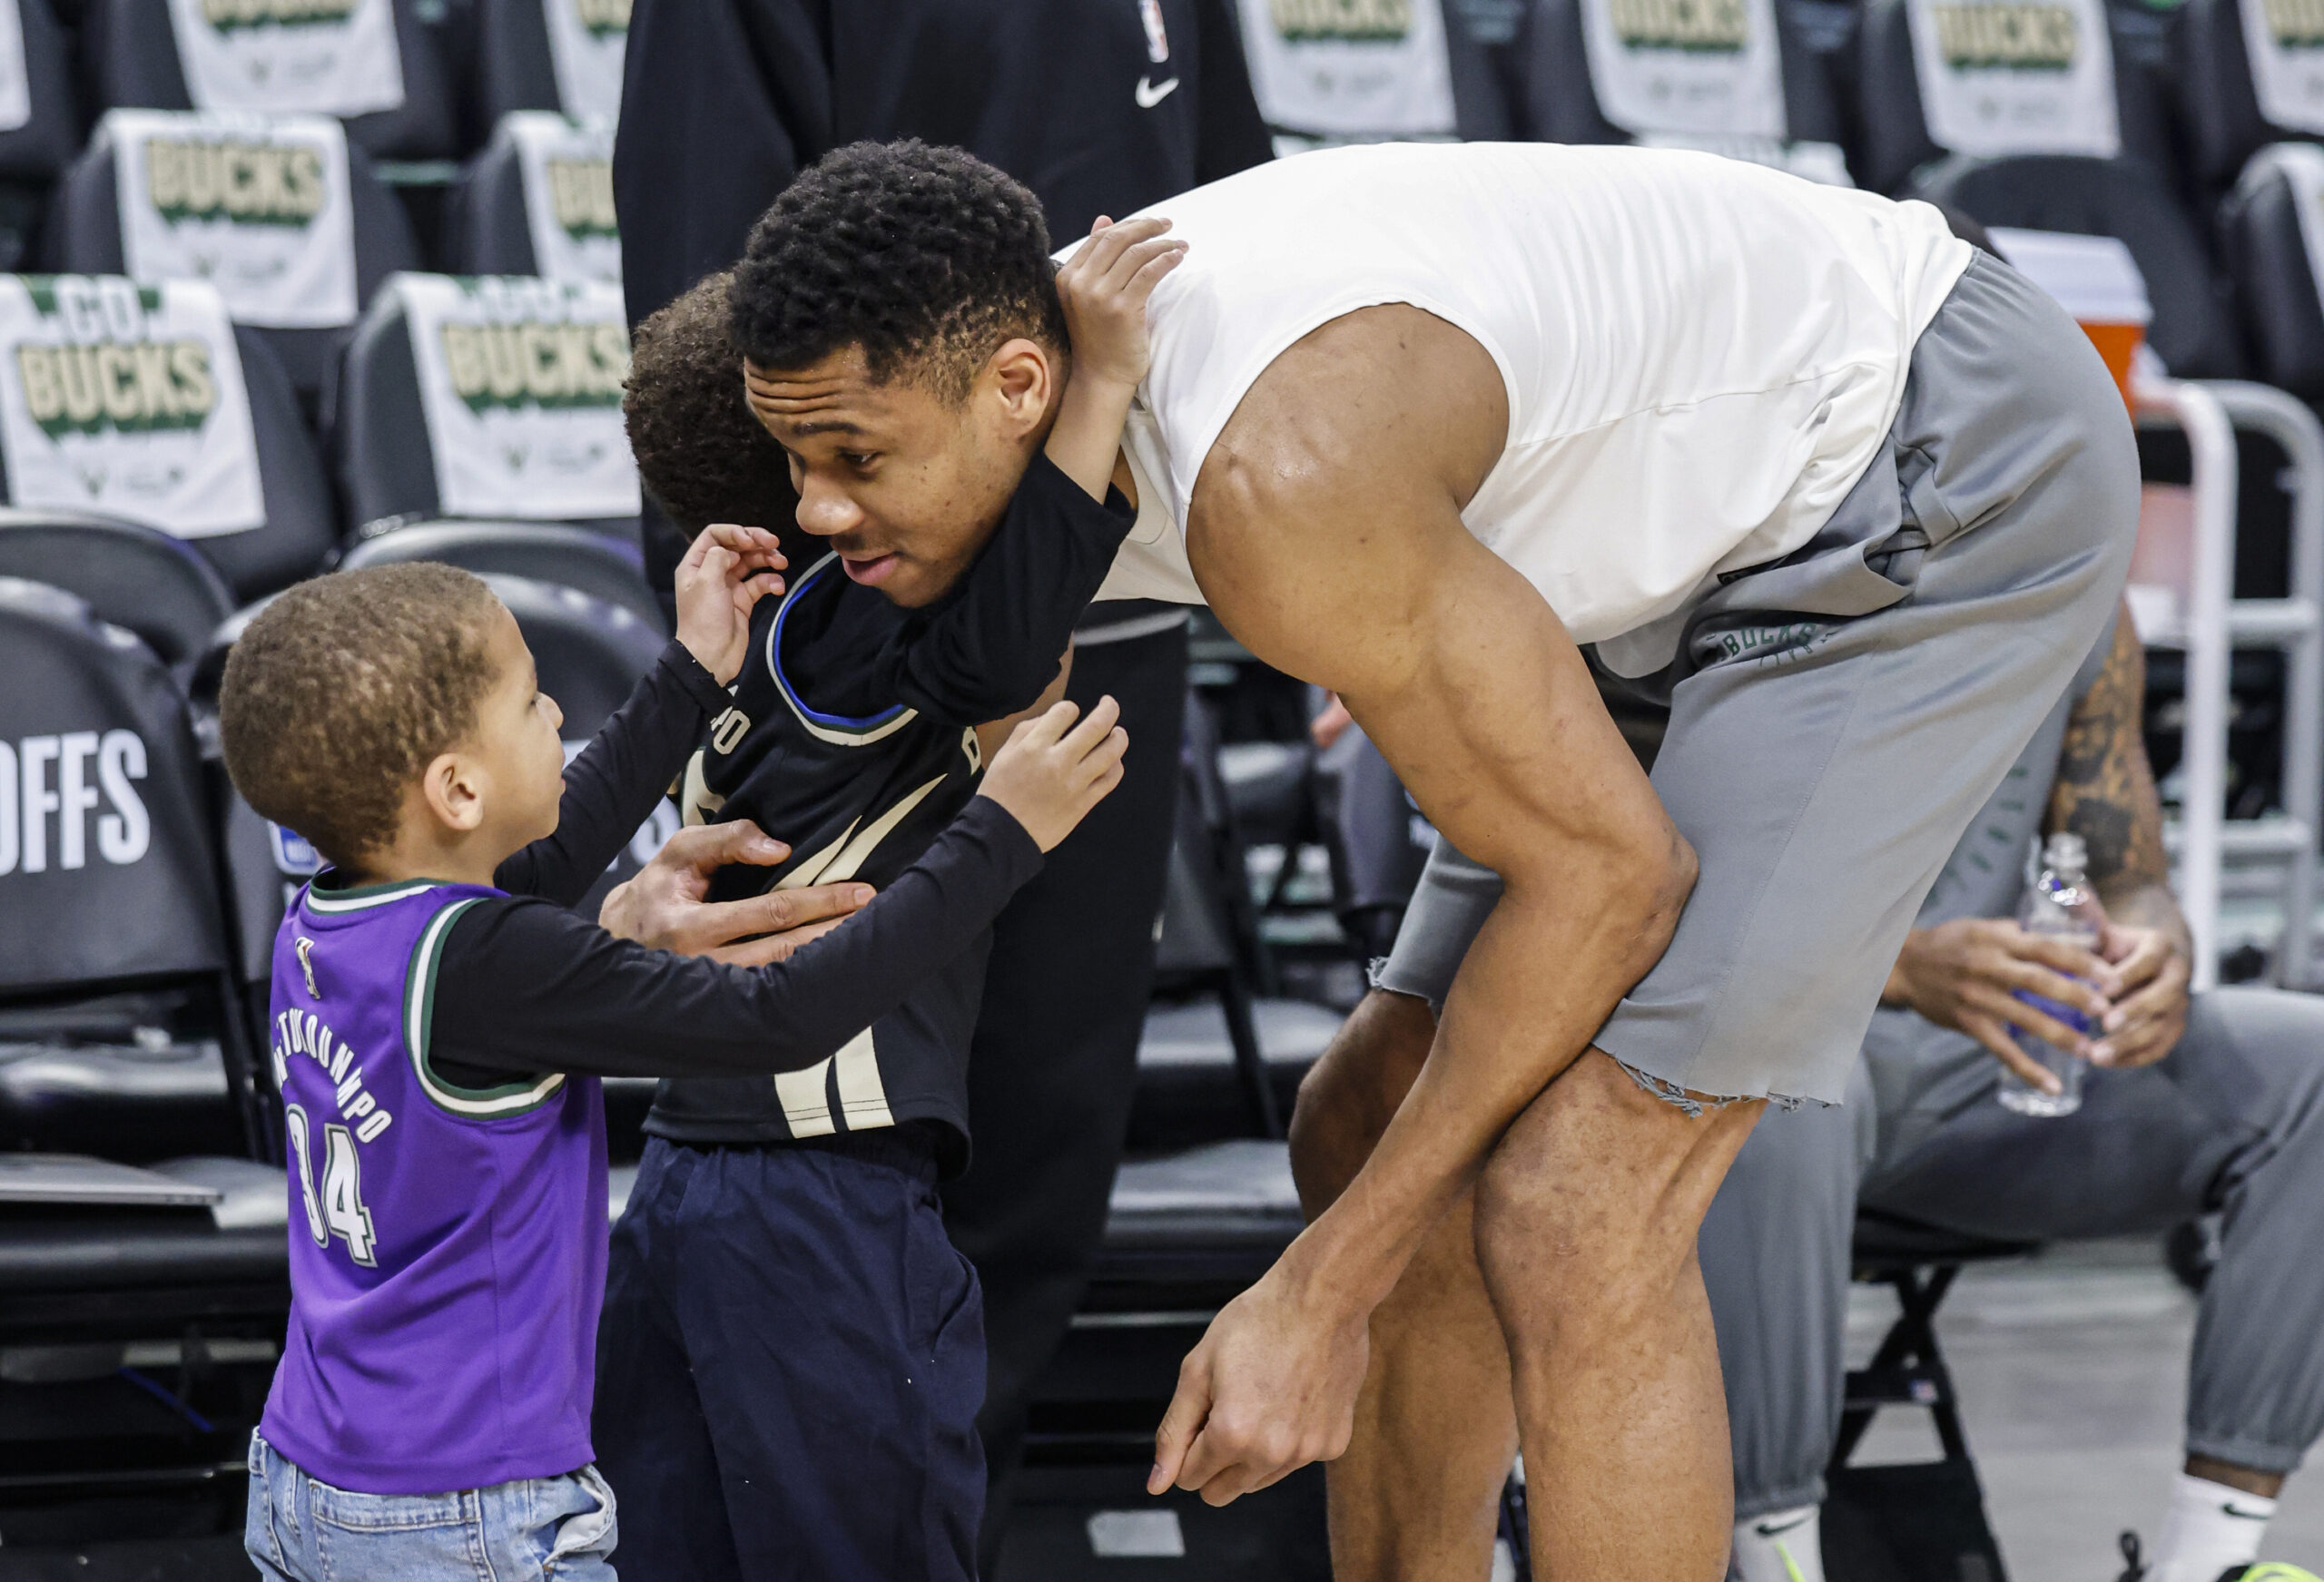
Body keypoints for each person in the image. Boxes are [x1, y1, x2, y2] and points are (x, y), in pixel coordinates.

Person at [718, 137, 2138, 1577]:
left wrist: (1319, 1289)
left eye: (857, 462)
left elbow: (1612, 882)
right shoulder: (996, 404)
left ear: (1021, 387)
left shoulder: (1272, 476)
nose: (820, 511)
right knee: (1365, 1114)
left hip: (1932, 448)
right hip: (1695, 527)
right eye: (796, 466)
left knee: (1581, 1200)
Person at [613, 15, 1272, 1548]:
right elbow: (715, 263)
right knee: (857, 1193)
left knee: (1035, 1173)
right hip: (882, 589)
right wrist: (800, 555)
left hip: (1117, 593)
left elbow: (1240, 211)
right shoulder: (827, 555)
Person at [216, 544, 1126, 1580]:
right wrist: (1000, 833)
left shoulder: (325, 924)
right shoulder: (493, 963)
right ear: (458, 789)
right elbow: (781, 1018)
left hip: (308, 1473)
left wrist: (694, 669)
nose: (559, 715)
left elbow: (549, 858)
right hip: (463, 1510)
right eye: (531, 703)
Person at [1679, 604, 2324, 1582]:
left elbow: (2125, 873)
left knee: (2308, 1070)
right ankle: (1773, 1558)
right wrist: (1897, 966)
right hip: (1764, 1045)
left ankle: (2211, 1559)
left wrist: (2152, 944)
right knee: (1778, 1085)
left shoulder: (2078, 583)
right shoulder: (1746, 558)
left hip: (1981, 1068)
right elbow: (1657, 884)